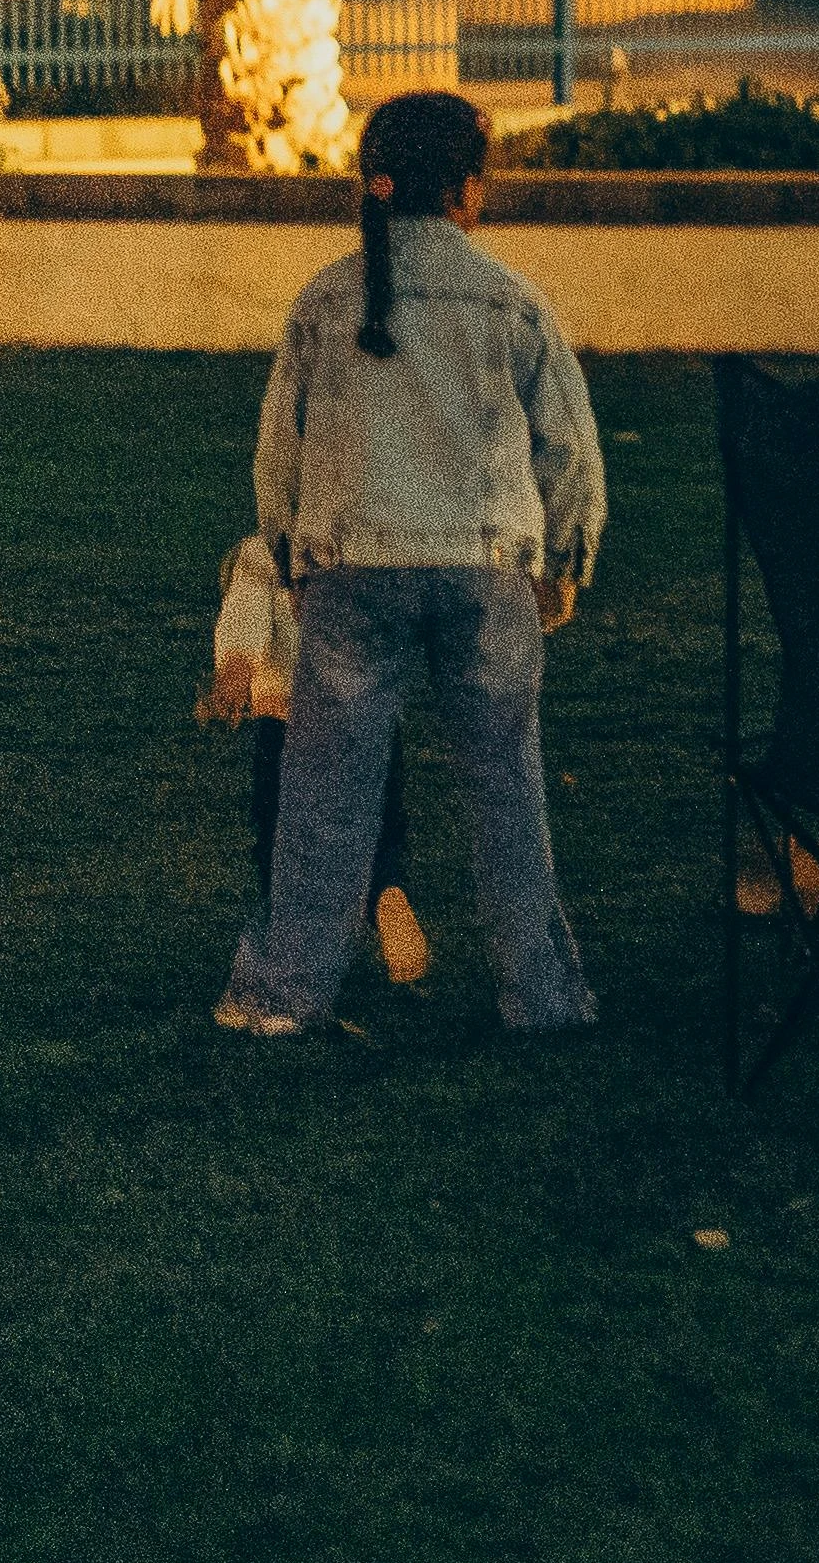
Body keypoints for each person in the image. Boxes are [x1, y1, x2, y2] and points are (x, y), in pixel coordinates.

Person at [218, 90, 603, 1039]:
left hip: (350, 568)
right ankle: (542, 998)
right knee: (506, 788)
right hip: (487, 568)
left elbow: (278, 451)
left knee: (325, 796)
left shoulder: (324, 302)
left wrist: (288, 553)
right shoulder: (512, 301)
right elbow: (570, 451)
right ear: (466, 192)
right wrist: (562, 562)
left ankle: (282, 995)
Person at [202, 532, 423, 986]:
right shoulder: (372, 543)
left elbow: (245, 617)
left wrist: (235, 672)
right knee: (380, 826)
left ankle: (285, 958)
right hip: (369, 716)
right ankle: (388, 892)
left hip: (288, 722)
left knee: (280, 838)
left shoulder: (265, 551)